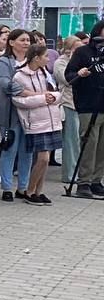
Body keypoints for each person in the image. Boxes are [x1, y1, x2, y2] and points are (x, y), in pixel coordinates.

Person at [11, 44, 62, 206]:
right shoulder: (19, 76)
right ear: (36, 58)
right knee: (43, 158)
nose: (48, 59)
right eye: (46, 56)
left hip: (51, 120)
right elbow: (17, 99)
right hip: (36, 121)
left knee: (45, 160)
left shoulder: (45, 72)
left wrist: (53, 97)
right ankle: (29, 190)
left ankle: (39, 191)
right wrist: (42, 99)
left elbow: (56, 91)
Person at [64, 21, 104, 199]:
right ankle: (84, 182)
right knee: (90, 143)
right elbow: (69, 75)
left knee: (102, 146)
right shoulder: (83, 52)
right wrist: (80, 73)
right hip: (89, 104)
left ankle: (96, 180)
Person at [0, 29, 33, 202]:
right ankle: (7, 187)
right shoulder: (4, 61)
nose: (26, 43)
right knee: (10, 148)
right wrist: (27, 93)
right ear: (11, 42)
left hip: (30, 112)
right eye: (22, 40)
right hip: (10, 112)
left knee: (27, 150)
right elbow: (4, 82)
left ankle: (23, 187)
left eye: (28, 40)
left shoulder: (32, 62)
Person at [54, 35, 82, 185]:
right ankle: (70, 174)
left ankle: (80, 171)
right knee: (71, 140)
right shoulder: (61, 62)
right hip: (68, 103)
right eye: (77, 48)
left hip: (82, 103)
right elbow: (67, 79)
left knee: (79, 140)